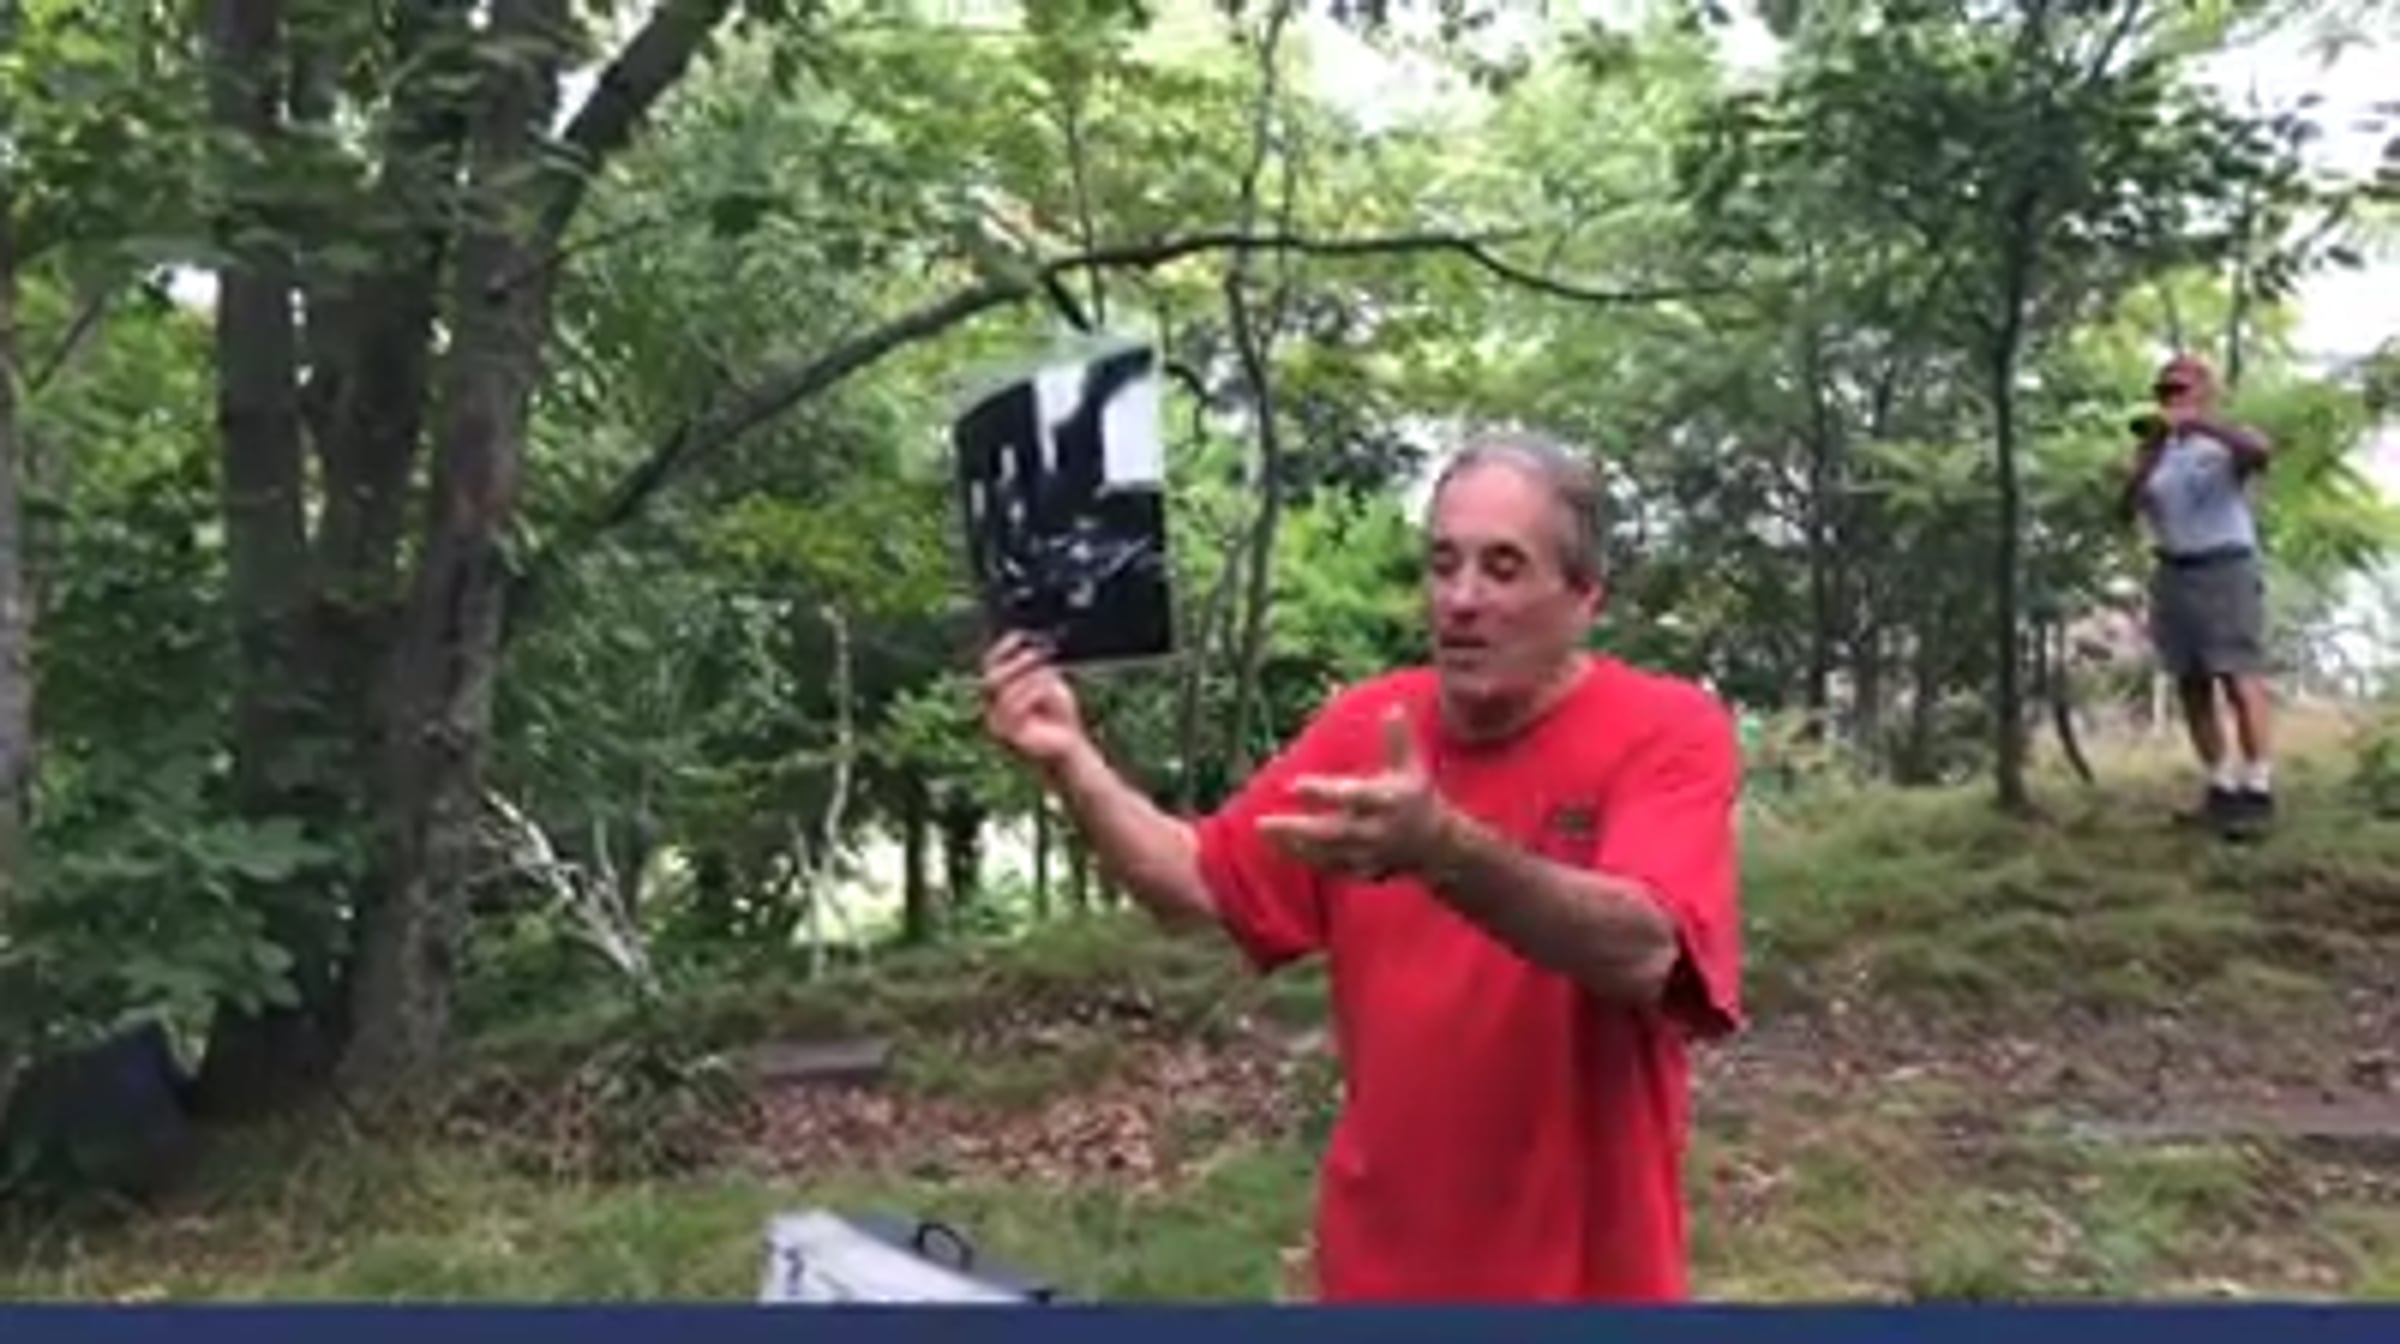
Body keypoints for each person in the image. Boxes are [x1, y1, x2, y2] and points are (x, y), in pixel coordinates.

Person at [977, 433, 1743, 1302]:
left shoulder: (1665, 730)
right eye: (1443, 564)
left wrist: (1443, 850)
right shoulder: (1369, 727)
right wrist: (1071, 760)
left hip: (1586, 1283)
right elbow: (1193, 883)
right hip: (1377, 1278)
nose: (1461, 599)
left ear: (1583, 596)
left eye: (1502, 568)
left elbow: (1644, 948)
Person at [2117, 353, 2276, 833]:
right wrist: (2150, 453)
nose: (2171, 397)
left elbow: (2259, 454)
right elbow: (2126, 507)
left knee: (2239, 674)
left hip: (2225, 566)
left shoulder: (2225, 441)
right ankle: (2221, 785)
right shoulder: (2154, 450)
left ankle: (2258, 786)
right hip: (2174, 571)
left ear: (2205, 392)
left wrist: (2201, 425)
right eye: (2164, 389)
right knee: (2191, 681)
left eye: (2181, 387)